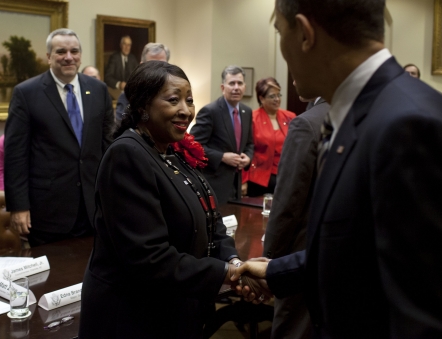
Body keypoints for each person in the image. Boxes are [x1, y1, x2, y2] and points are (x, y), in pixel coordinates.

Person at [233, 0, 442, 338]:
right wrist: (279, 270)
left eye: (281, 33)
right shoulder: (366, 110)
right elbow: (363, 250)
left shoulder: (408, 127)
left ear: (306, 34)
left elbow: (433, 316)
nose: (282, 46)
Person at [80, 61, 265, 338]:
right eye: (173, 100)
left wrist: (235, 263)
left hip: (176, 306)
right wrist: (228, 273)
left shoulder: (172, 150)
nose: (186, 110)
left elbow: (212, 221)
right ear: (143, 106)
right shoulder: (127, 155)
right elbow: (149, 257)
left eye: (189, 100)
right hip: (132, 316)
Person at [4, 28, 114, 246]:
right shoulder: (26, 93)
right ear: (48, 57)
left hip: (94, 207)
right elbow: (15, 155)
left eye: (74, 51)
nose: (69, 57)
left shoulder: (99, 90)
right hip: (48, 211)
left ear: (80, 55)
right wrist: (18, 207)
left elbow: (109, 145)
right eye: (61, 51)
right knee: (52, 276)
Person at [262, 94, 329, 339]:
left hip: (302, 254)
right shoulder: (361, 110)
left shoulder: (306, 123)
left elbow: (287, 204)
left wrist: (268, 263)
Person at [191, 66, 254, 205]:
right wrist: (222, 157)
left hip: (236, 185)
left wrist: (248, 157)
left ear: (245, 87)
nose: (236, 87)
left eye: (240, 83)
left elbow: (249, 143)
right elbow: (194, 145)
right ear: (222, 87)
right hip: (214, 184)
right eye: (232, 83)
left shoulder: (247, 111)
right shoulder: (210, 111)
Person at [242, 77, 295, 197]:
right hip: (259, 179)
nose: (277, 99)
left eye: (278, 95)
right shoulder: (252, 118)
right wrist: (243, 181)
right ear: (261, 98)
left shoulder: (290, 117)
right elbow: (245, 150)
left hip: (285, 177)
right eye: (272, 96)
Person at [115, 42, 170, 121]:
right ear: (141, 66)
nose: (157, 70)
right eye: (151, 65)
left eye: (162, 64)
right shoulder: (128, 96)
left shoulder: (174, 93)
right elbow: (121, 128)